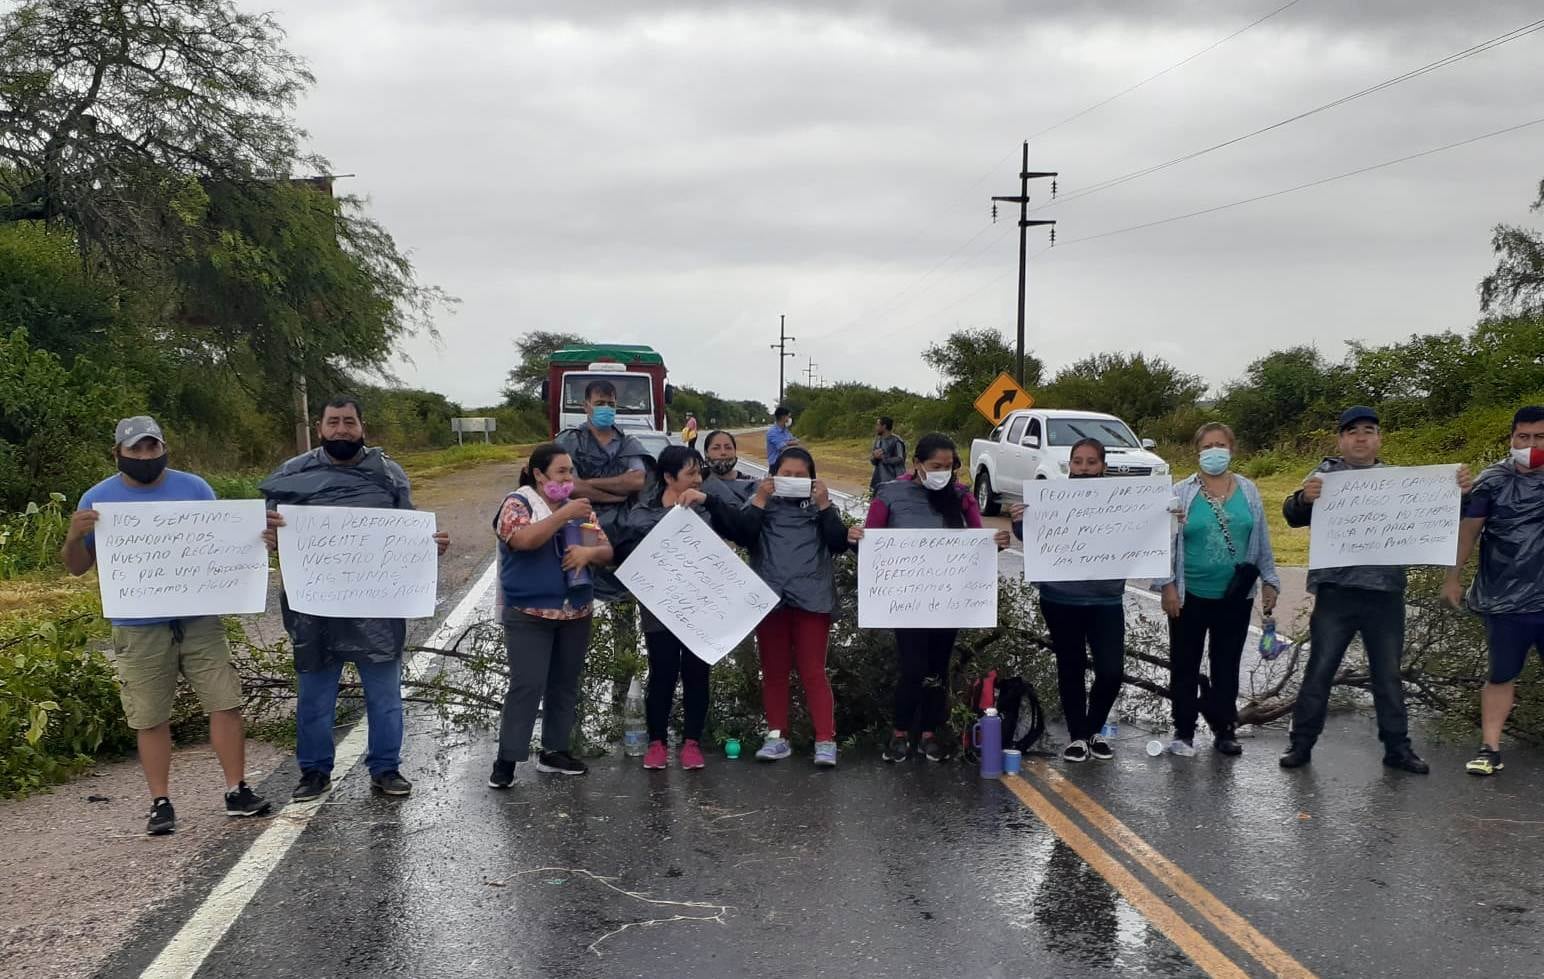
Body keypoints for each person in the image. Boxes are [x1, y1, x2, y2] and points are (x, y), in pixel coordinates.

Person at [61, 416, 271, 835]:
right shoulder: (98, 498)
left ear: (164, 448)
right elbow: (77, 567)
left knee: (224, 702)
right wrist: (73, 535)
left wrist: (257, 539)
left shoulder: (195, 488)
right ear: (118, 453)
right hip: (139, 624)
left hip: (198, 618)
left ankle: (237, 790)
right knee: (150, 717)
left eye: (151, 447)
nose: (144, 456)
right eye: (135, 449)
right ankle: (161, 802)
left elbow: (220, 544)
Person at [261, 396, 451, 802]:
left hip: (376, 605)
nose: (342, 430)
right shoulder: (294, 474)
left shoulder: (389, 474)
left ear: (362, 427)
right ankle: (313, 772)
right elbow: (267, 530)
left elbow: (409, 527)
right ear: (320, 427)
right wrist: (270, 534)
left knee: (384, 695)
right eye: (334, 422)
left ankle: (386, 768)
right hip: (314, 607)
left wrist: (429, 544)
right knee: (315, 696)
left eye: (350, 422)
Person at [1279, 406, 1470, 774]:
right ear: (1341, 439)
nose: (1361, 437)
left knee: (1387, 674)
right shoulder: (1325, 475)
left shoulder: (1399, 480)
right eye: (1353, 432)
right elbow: (1292, 514)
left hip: (1385, 593)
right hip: (1336, 593)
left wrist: (1459, 491)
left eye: (1369, 430)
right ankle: (1301, 745)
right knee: (1319, 671)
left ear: (1379, 439)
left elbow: (1442, 513)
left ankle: (1397, 749)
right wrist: (1304, 498)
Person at [853, 433, 1011, 763]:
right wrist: (857, 539)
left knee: (937, 669)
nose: (942, 471)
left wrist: (994, 541)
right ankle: (899, 733)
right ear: (917, 464)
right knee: (912, 668)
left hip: (948, 600)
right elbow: (871, 540)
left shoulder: (962, 496)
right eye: (934, 466)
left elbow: (976, 540)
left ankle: (928, 733)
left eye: (948, 466)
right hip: (906, 601)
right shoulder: (890, 494)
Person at [488, 444, 615, 788]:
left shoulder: (580, 510)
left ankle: (554, 751)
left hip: (575, 610)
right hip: (530, 612)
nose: (568, 478)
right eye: (561, 471)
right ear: (538, 473)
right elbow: (523, 540)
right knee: (527, 685)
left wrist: (589, 552)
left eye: (570, 471)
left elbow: (606, 550)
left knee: (564, 684)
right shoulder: (519, 503)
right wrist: (562, 515)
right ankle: (507, 759)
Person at [1158, 423, 1281, 758]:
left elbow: (1261, 540)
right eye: (1208, 445)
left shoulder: (1249, 491)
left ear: (1232, 448)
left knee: (1226, 664)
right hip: (1189, 594)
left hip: (1236, 595)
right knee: (1185, 664)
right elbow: (1162, 543)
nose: (1215, 451)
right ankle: (1183, 731)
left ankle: (1224, 728)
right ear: (1198, 452)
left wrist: (1270, 580)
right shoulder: (1180, 493)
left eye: (1221, 445)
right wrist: (1167, 586)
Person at [618, 446, 741, 770]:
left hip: (702, 607)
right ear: (669, 477)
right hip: (661, 610)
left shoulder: (707, 509)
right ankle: (656, 743)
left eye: (700, 472)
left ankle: (692, 743)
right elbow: (625, 553)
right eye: (691, 474)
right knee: (662, 674)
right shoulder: (643, 513)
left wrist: (708, 501)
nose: (698, 479)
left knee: (698, 675)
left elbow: (742, 529)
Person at [1010, 438, 1130, 763]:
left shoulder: (1124, 500)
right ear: (1069, 465)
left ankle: (1094, 729)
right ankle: (1078, 737)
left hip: (1106, 599)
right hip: (1060, 598)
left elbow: (1147, 530)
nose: (1084, 468)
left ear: (1103, 466)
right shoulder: (1051, 497)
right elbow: (1027, 535)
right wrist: (1018, 518)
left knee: (1110, 671)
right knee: (1071, 667)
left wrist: (1167, 517)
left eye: (1092, 462)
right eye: (1078, 461)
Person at [1444, 405, 1544, 776]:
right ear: (1512, 438)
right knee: (1501, 674)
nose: (1531, 445)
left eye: (1539, 437)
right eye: (1524, 437)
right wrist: (1452, 577)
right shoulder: (1492, 481)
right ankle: (1490, 749)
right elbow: (1469, 532)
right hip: (1505, 599)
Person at [740, 448, 855, 767]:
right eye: (785, 474)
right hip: (770, 597)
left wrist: (825, 504)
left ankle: (825, 740)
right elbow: (743, 533)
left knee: (813, 671)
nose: (792, 480)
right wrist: (761, 499)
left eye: (800, 475)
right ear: (772, 476)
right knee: (774, 672)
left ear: (812, 479)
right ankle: (777, 737)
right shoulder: (758, 503)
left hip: (812, 598)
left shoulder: (820, 508)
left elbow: (837, 543)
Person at [555, 379, 652, 549]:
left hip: (623, 526)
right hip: (578, 521)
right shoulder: (569, 441)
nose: (606, 408)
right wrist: (616, 496)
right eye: (599, 403)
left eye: (610, 404)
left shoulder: (628, 442)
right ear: (586, 406)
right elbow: (571, 487)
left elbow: (636, 481)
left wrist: (589, 482)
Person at [701, 430, 758, 505]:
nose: (723, 452)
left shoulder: (752, 484)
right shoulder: (697, 482)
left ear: (735, 451)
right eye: (716, 448)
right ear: (706, 453)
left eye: (728, 448)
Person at [870, 416, 907, 492]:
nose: (876, 427)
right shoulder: (878, 440)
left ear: (884, 426)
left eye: (878, 425)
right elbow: (873, 460)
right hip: (879, 478)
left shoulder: (896, 441)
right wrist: (875, 457)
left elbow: (900, 458)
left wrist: (884, 458)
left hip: (893, 479)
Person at [766, 405, 800, 470]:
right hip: (776, 466)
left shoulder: (785, 431)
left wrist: (788, 443)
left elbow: (796, 441)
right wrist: (791, 443)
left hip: (788, 464)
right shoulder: (772, 432)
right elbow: (783, 448)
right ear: (783, 417)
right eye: (788, 416)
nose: (789, 419)